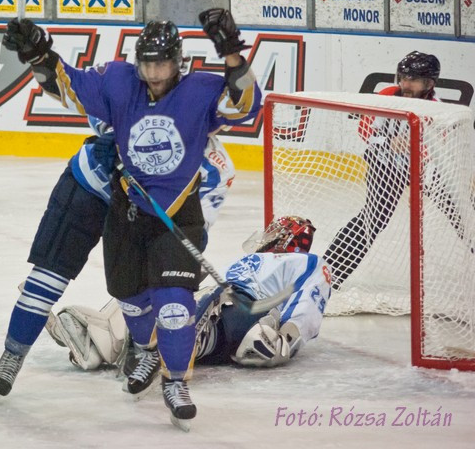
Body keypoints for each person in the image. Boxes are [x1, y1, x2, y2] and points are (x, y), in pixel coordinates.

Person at [0, 10, 261, 426]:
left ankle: (176, 381)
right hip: (127, 209)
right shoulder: (121, 82)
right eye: (147, 63)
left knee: (173, 305)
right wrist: (37, 52)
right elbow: (68, 86)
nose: (154, 73)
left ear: (179, 62)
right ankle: (147, 350)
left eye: (162, 63)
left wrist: (231, 52)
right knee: (132, 303)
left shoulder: (201, 92)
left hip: (177, 214)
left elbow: (244, 103)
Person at [0, 118, 236, 397]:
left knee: (130, 292)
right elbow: (102, 107)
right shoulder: (148, 99)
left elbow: (195, 230)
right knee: (49, 276)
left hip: (139, 216)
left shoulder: (216, 168)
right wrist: (113, 137)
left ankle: (149, 351)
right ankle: (14, 353)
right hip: (90, 185)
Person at [46, 216, 329, 381]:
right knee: (153, 298)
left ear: (287, 239)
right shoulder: (250, 258)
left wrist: (288, 339)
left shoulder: (306, 261)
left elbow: (309, 303)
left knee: (194, 308)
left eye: (276, 232)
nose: (268, 236)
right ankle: (99, 343)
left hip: (244, 309)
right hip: (228, 310)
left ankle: (156, 349)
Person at [323, 51, 468, 289]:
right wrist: (388, 143)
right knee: (372, 219)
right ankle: (330, 274)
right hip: (384, 166)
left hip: (423, 170)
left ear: (429, 83)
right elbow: (365, 130)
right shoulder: (389, 95)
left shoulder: (435, 110)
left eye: (412, 79)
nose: (405, 84)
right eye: (403, 77)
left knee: (462, 214)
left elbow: (433, 153)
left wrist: (421, 184)